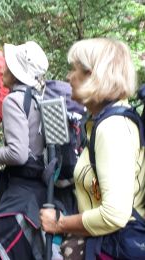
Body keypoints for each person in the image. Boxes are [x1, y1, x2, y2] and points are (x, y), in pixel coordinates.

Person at [40, 38, 145, 259]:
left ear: (94, 76)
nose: (69, 77)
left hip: (114, 247)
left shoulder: (113, 128)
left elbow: (115, 214)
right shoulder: (102, 121)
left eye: (75, 69)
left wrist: (59, 224)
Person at [0, 41, 49, 259]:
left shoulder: (13, 101)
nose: (3, 68)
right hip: (38, 188)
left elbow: (18, 154)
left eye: (7, 65)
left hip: (21, 185)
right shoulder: (36, 97)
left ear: (15, 73)